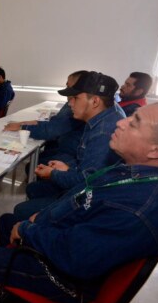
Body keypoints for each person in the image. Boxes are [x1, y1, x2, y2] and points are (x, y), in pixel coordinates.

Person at [0, 101, 158, 303]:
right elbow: (85, 193)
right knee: (6, 221)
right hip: (72, 236)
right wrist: (42, 216)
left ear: (157, 150)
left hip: (68, 278)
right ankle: (14, 301)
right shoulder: (137, 172)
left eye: (134, 122)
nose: (121, 122)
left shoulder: (139, 208)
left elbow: (75, 255)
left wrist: (28, 230)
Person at [15, 71, 124, 218]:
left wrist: (53, 174)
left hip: (88, 201)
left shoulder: (103, 133)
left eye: (76, 98)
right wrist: (68, 169)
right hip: (87, 185)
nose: (70, 103)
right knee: (34, 188)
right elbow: (90, 170)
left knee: (19, 210)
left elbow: (86, 183)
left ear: (95, 101)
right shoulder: (107, 114)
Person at [4, 70, 88, 167]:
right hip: (63, 146)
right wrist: (22, 123)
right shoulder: (72, 104)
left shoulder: (76, 108)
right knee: (36, 160)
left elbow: (51, 130)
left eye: (69, 86)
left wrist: (22, 127)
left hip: (67, 153)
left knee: (32, 166)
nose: (67, 90)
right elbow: (54, 122)